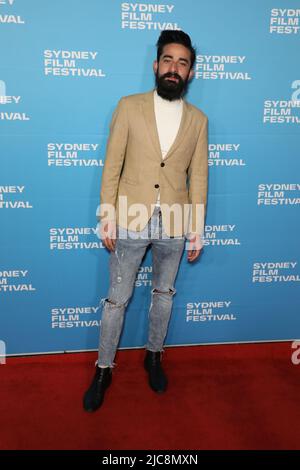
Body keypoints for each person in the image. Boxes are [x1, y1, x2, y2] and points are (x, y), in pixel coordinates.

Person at [83, 30, 208, 412]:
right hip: (130, 218)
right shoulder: (129, 106)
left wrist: (197, 228)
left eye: (182, 63)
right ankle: (103, 368)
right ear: (156, 66)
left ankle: (154, 355)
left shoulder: (198, 120)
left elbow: (199, 176)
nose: (174, 68)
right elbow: (112, 165)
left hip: (174, 220)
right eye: (168, 60)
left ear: (190, 73)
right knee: (116, 300)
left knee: (164, 295)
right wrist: (107, 215)